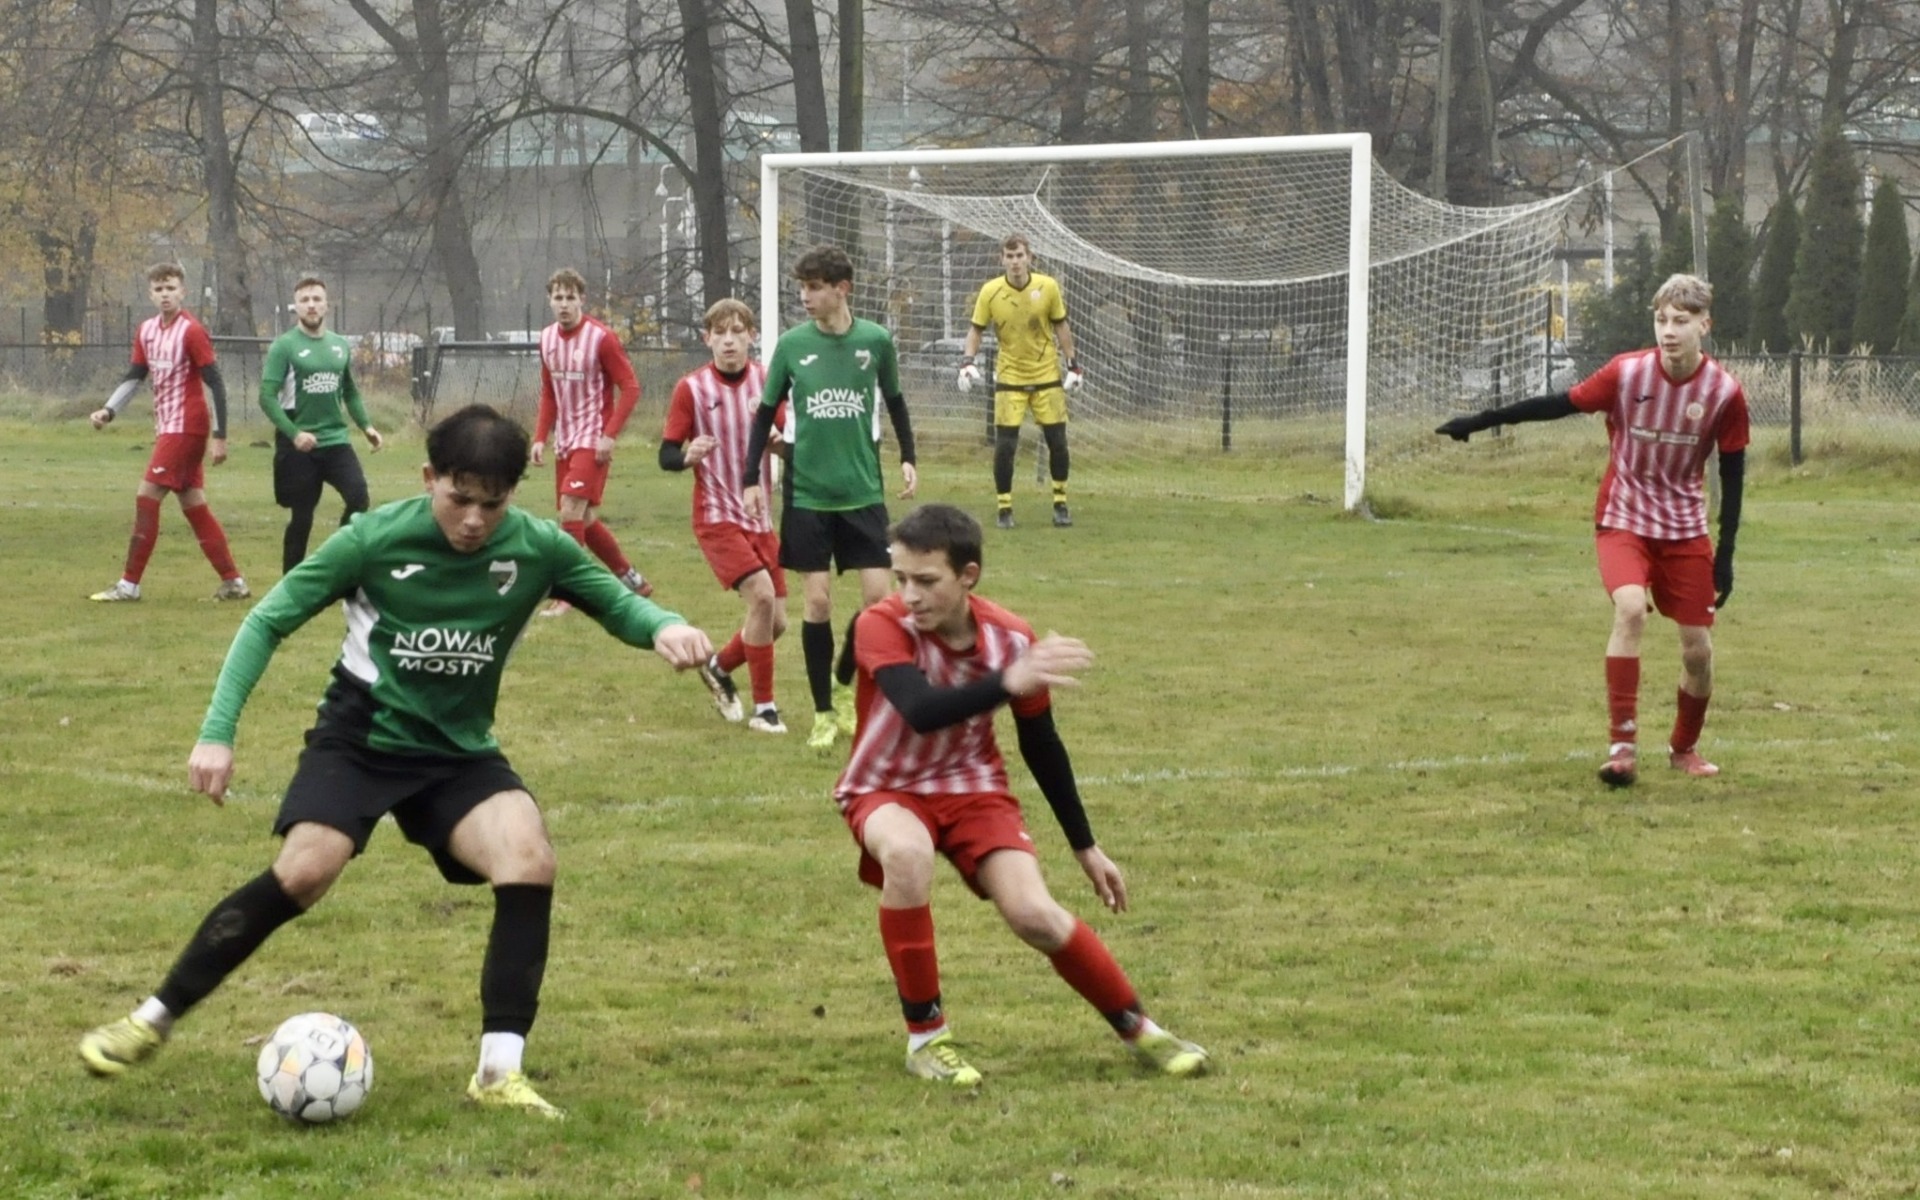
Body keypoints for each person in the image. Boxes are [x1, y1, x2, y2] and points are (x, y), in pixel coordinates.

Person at [77, 404, 714, 1119]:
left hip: (457, 754)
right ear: (428, 478)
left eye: (492, 504)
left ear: (514, 495)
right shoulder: (373, 539)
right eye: (459, 499)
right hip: (361, 739)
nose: (474, 520)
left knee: (529, 856)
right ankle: (151, 1020)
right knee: (306, 869)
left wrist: (666, 626)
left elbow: (616, 604)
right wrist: (217, 732)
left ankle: (499, 1075)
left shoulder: (538, 547)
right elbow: (269, 618)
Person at [833, 503, 1208, 1087]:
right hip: (885, 788)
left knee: (1036, 916)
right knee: (907, 856)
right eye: (901, 577)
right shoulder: (880, 623)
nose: (909, 594)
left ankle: (1141, 1030)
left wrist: (1086, 847)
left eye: (927, 581)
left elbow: (1042, 744)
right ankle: (926, 1038)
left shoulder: (1011, 638)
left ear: (969, 576)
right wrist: (1008, 682)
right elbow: (919, 710)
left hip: (975, 791)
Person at [1436, 273, 1749, 786]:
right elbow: (1560, 404)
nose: (1669, 331)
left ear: (1704, 325)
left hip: (1684, 529)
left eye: (1681, 321)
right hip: (1623, 518)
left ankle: (1684, 748)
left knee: (1698, 651)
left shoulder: (1723, 392)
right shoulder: (1627, 374)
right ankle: (1621, 747)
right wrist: (1480, 419)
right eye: (1662, 320)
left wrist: (1727, 551)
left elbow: (1733, 473)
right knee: (1629, 610)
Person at [742, 245, 917, 753]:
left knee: (878, 602)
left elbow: (896, 400)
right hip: (808, 495)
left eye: (815, 287)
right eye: (802, 287)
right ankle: (822, 712)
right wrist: (751, 474)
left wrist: (908, 454)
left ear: (842, 289)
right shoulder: (793, 346)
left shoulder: (876, 341)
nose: (805, 296)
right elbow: (765, 412)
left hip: (862, 493)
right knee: (816, 601)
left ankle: (846, 684)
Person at [660, 298, 791, 733]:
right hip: (716, 516)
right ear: (707, 338)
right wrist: (686, 456)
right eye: (721, 333)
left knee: (776, 623)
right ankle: (765, 710)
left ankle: (718, 667)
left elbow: (788, 442)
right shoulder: (691, 389)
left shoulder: (768, 382)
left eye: (738, 331)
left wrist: (777, 441)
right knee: (762, 596)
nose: (729, 340)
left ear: (752, 336)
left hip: (760, 517)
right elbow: (665, 453)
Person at [87, 262, 249, 602]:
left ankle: (129, 585)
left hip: (186, 427)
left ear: (182, 292)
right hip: (168, 428)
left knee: (146, 497)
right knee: (194, 506)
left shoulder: (191, 331)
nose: (165, 294)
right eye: (159, 289)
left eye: (171, 288)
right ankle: (234, 582)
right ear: (150, 293)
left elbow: (215, 383)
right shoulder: (146, 330)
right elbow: (135, 375)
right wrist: (109, 410)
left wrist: (220, 435)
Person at [531, 267, 652, 616]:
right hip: (566, 440)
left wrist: (609, 435)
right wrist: (541, 437)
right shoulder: (547, 339)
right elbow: (549, 393)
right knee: (582, 520)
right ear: (549, 300)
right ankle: (632, 580)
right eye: (558, 297)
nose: (564, 304)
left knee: (569, 510)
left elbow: (630, 387)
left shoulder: (602, 338)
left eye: (571, 297)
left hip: (591, 439)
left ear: (582, 299)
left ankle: (567, 594)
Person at [259, 276, 385, 574]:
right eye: (305, 300)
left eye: (317, 299)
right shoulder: (284, 347)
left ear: (327, 305)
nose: (311, 305)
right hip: (299, 444)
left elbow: (350, 391)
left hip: (336, 441)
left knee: (358, 498)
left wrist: (367, 426)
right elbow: (266, 397)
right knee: (302, 517)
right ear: (296, 307)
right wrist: (294, 434)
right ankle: (291, 581)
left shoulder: (339, 345)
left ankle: (332, 561)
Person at [959, 234, 1082, 530]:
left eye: (1020, 256)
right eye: (1009, 256)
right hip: (1010, 376)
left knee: (1058, 442)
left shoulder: (1048, 287)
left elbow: (1061, 325)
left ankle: (1060, 503)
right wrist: (967, 361)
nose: (1015, 262)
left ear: (1030, 258)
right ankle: (1004, 507)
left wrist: (1073, 365)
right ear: (1001, 259)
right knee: (1005, 446)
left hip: (1046, 375)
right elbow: (976, 330)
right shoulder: (990, 292)